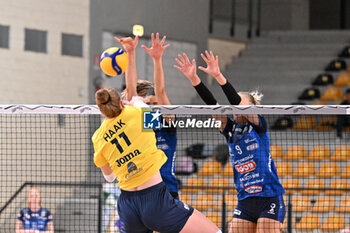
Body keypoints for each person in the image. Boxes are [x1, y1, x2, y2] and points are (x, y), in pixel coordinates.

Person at [175, 51, 286, 233]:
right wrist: (194, 78)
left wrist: (218, 75)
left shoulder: (259, 126)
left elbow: (236, 101)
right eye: (234, 106)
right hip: (245, 201)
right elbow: (213, 105)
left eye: (240, 104)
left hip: (269, 197)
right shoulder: (230, 129)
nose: (235, 107)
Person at [92, 88, 221, 233]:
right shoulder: (136, 113)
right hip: (154, 199)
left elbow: (109, 177)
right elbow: (153, 122)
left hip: (127, 205)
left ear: (101, 111)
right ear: (121, 103)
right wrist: (138, 102)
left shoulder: (97, 138)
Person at [115, 33, 179, 199]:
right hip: (142, 190)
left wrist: (157, 60)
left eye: (153, 104)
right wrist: (130, 52)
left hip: (167, 191)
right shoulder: (141, 123)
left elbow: (161, 91)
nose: (150, 108)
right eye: (147, 104)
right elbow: (131, 94)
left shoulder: (166, 124)